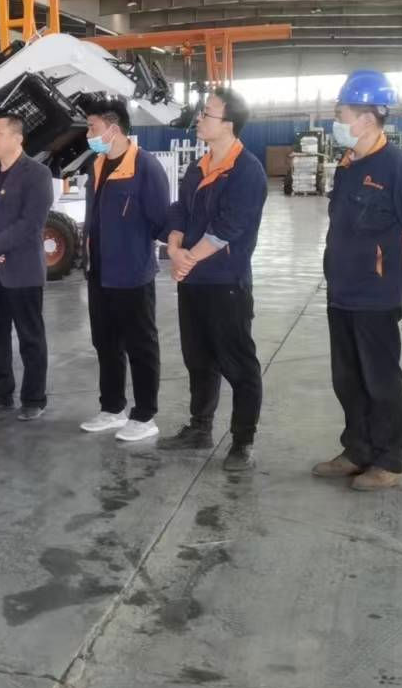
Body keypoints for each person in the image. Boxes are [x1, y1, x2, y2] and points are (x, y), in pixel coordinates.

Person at [314, 72, 402, 491]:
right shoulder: (349, 164)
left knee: (380, 379)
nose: (337, 120)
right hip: (342, 288)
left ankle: (389, 459)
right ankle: (357, 450)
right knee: (347, 378)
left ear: (366, 118)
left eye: (342, 114)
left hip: (377, 293)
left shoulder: (398, 168)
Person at [164, 87, 269, 470]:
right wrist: (174, 247)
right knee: (198, 359)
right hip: (193, 281)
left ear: (228, 124)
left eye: (207, 114)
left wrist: (187, 259)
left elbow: (229, 227)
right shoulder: (199, 166)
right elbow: (181, 209)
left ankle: (242, 441)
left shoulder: (247, 171)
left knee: (238, 364)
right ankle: (200, 427)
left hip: (226, 282)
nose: (199, 119)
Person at [79, 97, 173, 443]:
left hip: (132, 274)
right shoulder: (97, 165)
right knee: (105, 342)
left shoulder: (145, 167)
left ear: (113, 129)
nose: (88, 134)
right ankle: (112, 408)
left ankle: (145, 415)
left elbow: (161, 220)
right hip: (99, 272)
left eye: (92, 127)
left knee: (140, 345)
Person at [0, 114, 56, 420]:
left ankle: (34, 399)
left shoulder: (37, 174)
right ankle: (0, 394)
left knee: (30, 338)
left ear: (18, 138)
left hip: (22, 271)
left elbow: (31, 224)